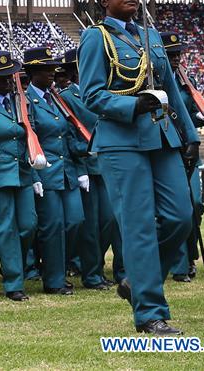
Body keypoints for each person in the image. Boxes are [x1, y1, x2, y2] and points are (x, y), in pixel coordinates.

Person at [78, 0, 200, 335]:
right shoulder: (96, 39)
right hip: (122, 142)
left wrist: (190, 134)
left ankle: (136, 281)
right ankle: (150, 312)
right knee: (139, 226)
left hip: (163, 138)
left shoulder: (151, 36)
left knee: (182, 215)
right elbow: (91, 95)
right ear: (104, 1)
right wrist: (133, 106)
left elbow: (173, 91)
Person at [0, 50, 41, 302]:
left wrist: (34, 174)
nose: (6, 81)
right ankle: (14, 282)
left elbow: (30, 139)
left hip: (23, 173)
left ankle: (13, 265)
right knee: (4, 230)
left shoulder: (22, 103)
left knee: (28, 225)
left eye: (8, 76)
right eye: (0, 77)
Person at [22, 46, 86, 296]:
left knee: (76, 221)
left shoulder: (56, 98)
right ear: (32, 72)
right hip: (46, 173)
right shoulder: (27, 100)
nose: (52, 73)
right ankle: (54, 279)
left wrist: (88, 149)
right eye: (45, 69)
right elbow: (30, 139)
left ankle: (60, 266)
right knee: (53, 226)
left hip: (67, 171)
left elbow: (68, 134)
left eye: (52, 69)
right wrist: (35, 176)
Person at [58, 49, 124, 289]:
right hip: (84, 165)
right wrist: (83, 150)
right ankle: (92, 274)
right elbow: (66, 133)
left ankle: (115, 270)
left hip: (108, 163)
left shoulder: (104, 93)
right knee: (90, 225)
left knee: (110, 220)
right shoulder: (67, 96)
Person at [162, 32, 204, 283]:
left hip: (190, 149)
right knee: (178, 207)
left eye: (178, 53)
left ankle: (190, 253)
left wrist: (199, 120)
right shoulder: (154, 83)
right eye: (171, 54)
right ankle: (179, 265)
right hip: (169, 151)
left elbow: (190, 112)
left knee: (195, 206)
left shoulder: (188, 82)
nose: (176, 58)